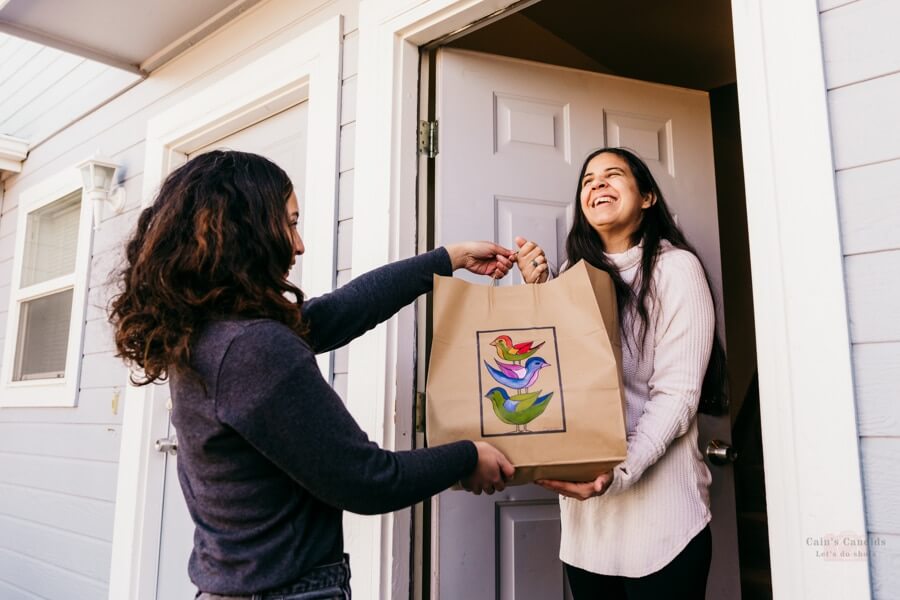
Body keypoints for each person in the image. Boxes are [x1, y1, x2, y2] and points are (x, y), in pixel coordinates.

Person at [108, 150, 516, 600]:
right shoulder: (252, 348)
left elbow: (338, 311)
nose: (298, 245)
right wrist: (468, 456)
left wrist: (446, 259)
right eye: (290, 223)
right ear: (245, 230)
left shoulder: (210, 330)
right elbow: (368, 481)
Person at [514, 147, 725, 599]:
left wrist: (620, 471)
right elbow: (559, 384)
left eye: (612, 175)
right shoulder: (573, 276)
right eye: (588, 180)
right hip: (587, 534)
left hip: (665, 528)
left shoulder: (676, 270)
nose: (597, 184)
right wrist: (542, 294)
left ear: (647, 197)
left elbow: (678, 396)